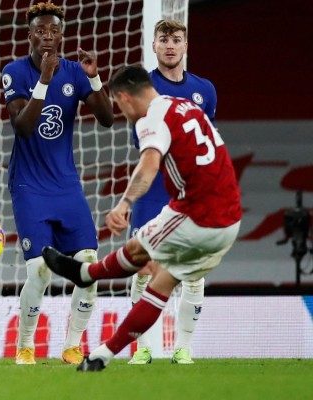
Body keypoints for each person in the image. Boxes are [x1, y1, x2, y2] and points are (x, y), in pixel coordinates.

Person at [42, 65, 241, 372]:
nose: (122, 112)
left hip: (199, 213)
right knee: (159, 284)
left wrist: (124, 204)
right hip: (229, 221)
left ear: (124, 97)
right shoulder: (186, 106)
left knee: (138, 252)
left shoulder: (151, 118)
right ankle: (101, 356)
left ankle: (86, 274)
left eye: (118, 105)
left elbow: (148, 165)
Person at [1, 2, 113, 365]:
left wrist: (94, 77)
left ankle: (72, 345)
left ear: (61, 35)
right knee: (40, 270)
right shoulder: (15, 71)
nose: (47, 36)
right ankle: (25, 345)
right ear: (30, 35)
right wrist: (45, 80)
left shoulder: (74, 71)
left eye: (54, 31)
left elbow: (108, 119)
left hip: (66, 186)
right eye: (41, 30)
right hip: (29, 185)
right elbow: (23, 125)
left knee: (89, 264)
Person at [128, 19, 218, 365]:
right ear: (153, 46)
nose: (169, 45)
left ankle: (184, 348)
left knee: (193, 272)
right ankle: (145, 347)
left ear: (185, 46)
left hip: (190, 191)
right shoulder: (141, 86)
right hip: (153, 188)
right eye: (163, 39)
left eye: (176, 39)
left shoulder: (205, 90)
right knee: (144, 269)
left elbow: (207, 140)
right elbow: (140, 139)